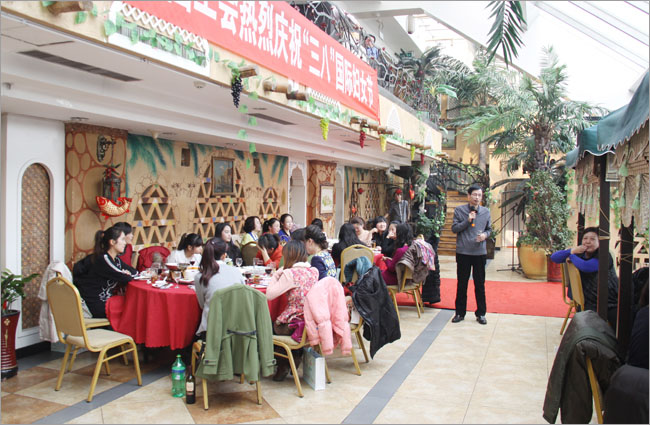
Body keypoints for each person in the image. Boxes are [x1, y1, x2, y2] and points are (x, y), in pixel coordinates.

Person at [265, 240, 319, 381]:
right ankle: (294, 357)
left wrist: (276, 275)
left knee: (269, 326)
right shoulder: (314, 271)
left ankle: (283, 364)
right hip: (310, 322)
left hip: (293, 323)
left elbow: (269, 294)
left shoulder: (290, 274)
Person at [550, 226, 620, 327]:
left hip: (608, 297)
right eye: (585, 238)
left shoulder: (604, 255)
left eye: (592, 239)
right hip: (588, 298)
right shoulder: (580, 253)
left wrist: (571, 256)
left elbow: (586, 267)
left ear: (599, 242)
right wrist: (571, 251)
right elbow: (554, 257)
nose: (588, 241)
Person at [451, 184, 492, 325]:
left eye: (479, 195)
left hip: (479, 253)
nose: (477, 198)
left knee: (480, 284)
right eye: (474, 194)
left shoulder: (486, 212)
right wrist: (467, 221)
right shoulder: (459, 210)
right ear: (468, 196)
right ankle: (459, 313)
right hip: (463, 252)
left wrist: (485, 235)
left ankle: (481, 314)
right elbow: (454, 228)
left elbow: (489, 229)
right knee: (462, 284)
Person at [72, 226, 134, 318]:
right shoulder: (103, 259)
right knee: (131, 308)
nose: (125, 243)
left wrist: (128, 273)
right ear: (112, 242)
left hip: (106, 300)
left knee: (131, 305)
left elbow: (134, 272)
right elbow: (125, 277)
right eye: (122, 239)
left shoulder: (116, 260)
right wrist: (125, 274)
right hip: (95, 303)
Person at [194, 238, 246, 337]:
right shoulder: (237, 272)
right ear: (224, 256)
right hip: (238, 327)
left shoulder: (200, 276)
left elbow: (202, 304)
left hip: (212, 330)